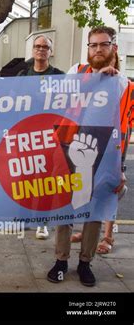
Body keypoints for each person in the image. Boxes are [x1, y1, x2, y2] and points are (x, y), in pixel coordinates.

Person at [47, 26, 131, 287]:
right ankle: (61, 260)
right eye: (92, 45)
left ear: (113, 48)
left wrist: (121, 166)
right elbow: (61, 99)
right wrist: (96, 79)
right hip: (70, 148)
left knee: (95, 210)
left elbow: (125, 129)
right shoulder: (77, 72)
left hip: (105, 154)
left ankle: (85, 263)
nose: (97, 50)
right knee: (66, 206)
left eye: (103, 45)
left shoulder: (124, 85)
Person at [70, 52, 131, 254]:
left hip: (114, 144)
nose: (109, 68)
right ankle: (88, 232)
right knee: (91, 190)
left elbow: (127, 123)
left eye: (112, 62)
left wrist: (120, 165)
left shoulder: (124, 86)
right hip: (90, 142)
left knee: (110, 190)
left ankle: (108, 236)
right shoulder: (88, 80)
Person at [17, 34, 64, 239]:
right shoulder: (22, 76)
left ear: (50, 51)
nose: (41, 49)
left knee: (44, 181)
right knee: (24, 178)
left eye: (45, 47)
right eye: (37, 46)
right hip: (26, 135)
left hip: (48, 135)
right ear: (32, 50)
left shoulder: (60, 76)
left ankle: (42, 223)